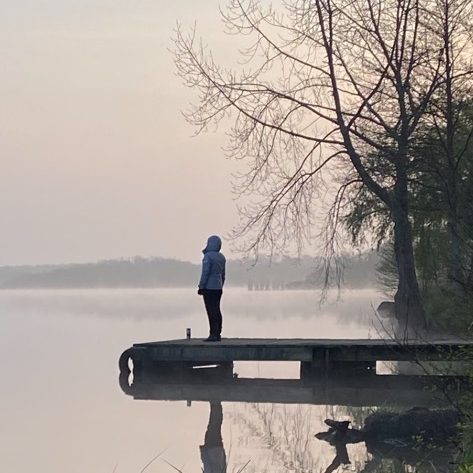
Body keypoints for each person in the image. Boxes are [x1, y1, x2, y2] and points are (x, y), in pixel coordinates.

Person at [198, 235, 226, 342]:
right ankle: (218, 332)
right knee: (217, 309)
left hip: (209, 287)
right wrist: (221, 285)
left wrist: (201, 286)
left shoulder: (208, 257)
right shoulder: (222, 257)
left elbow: (205, 273)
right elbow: (223, 274)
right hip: (218, 288)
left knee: (211, 310)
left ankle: (213, 334)